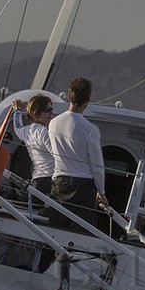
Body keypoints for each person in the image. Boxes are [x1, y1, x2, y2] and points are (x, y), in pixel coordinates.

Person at [49, 76, 111, 236]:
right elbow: (97, 166)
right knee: (82, 235)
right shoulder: (90, 130)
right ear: (87, 100)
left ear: (69, 96)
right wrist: (102, 192)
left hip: (59, 184)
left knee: (53, 231)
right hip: (83, 189)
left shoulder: (53, 123)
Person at [9, 95, 58, 200]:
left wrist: (17, 110)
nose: (51, 113)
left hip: (37, 182)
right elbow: (58, 156)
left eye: (51, 109)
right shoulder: (45, 132)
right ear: (37, 113)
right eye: (48, 110)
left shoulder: (25, 131)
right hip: (51, 182)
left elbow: (17, 126)